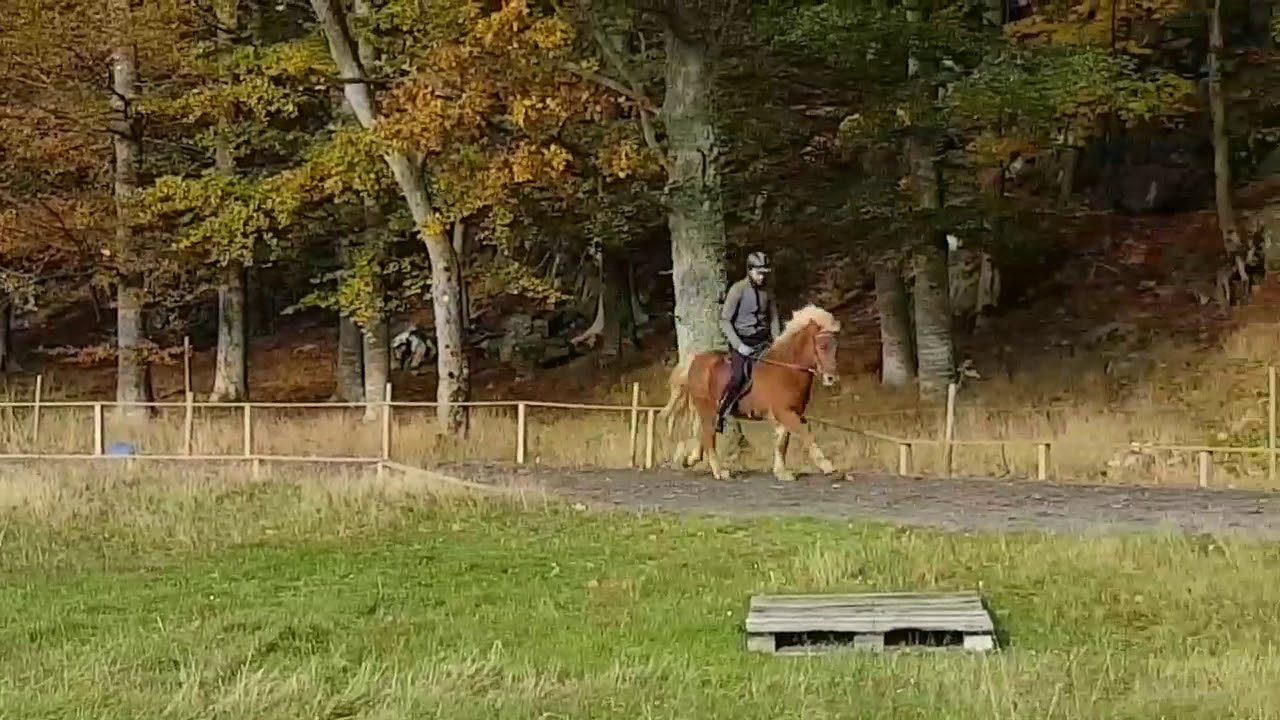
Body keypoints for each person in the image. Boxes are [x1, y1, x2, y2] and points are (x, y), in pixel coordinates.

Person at [715, 251, 781, 433]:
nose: (762, 277)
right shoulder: (737, 290)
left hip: (762, 340)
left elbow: (774, 317)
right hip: (742, 341)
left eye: (765, 274)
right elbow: (725, 321)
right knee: (738, 377)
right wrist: (739, 345)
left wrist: (777, 340)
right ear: (750, 271)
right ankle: (722, 411)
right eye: (759, 273)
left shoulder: (768, 292)